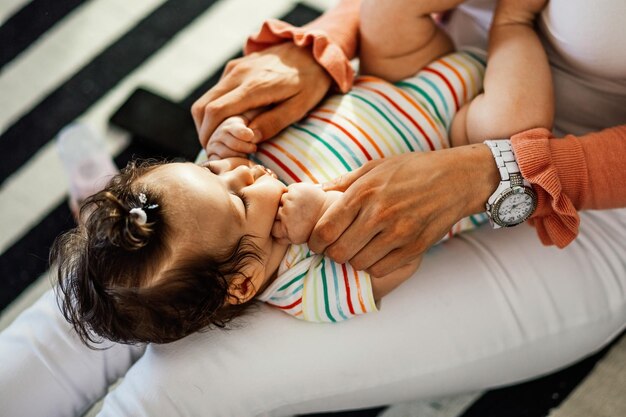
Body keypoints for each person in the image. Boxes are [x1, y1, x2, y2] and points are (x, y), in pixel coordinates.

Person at [1, 0, 625, 416]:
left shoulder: (234, 205)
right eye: (227, 181)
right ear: (246, 280)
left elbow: (218, 193)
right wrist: (313, 50)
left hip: (575, 180)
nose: (240, 168)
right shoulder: (306, 285)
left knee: (176, 387)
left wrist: (224, 166)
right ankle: (515, 29)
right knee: (101, 297)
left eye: (219, 169)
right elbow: (391, 265)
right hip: (466, 121)